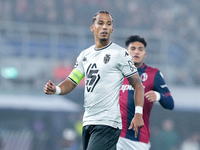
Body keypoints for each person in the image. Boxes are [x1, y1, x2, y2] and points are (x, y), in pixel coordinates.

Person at [44, 11, 144, 150]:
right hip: (89, 121)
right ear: (92, 27)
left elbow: (138, 85)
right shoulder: (85, 55)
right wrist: (57, 89)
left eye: (108, 24)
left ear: (112, 29)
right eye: (101, 23)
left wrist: (138, 113)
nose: (105, 27)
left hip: (107, 122)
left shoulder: (119, 54)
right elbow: (72, 81)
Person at [117, 35, 174, 150]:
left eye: (140, 49)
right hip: (115, 135)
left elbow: (170, 103)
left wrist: (158, 96)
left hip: (138, 140)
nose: (136, 52)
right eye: (133, 49)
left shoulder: (154, 74)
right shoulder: (116, 72)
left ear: (145, 54)